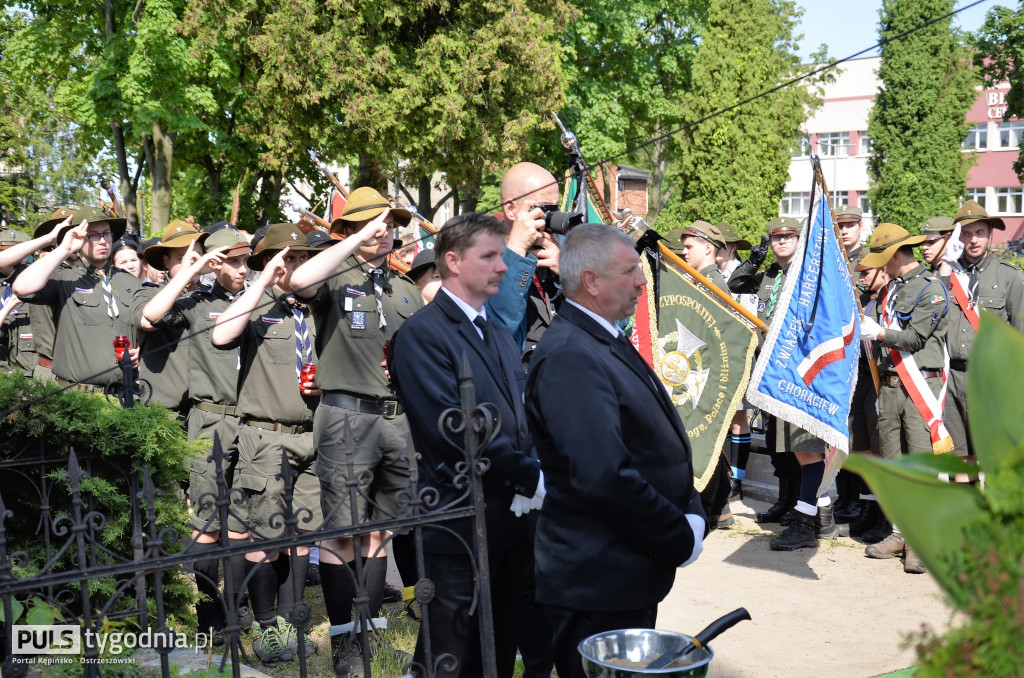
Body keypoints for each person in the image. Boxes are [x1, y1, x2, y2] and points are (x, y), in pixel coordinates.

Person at [525, 223, 706, 678]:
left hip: (622, 575)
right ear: (591, 281)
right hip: (595, 584)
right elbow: (603, 474)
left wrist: (693, 507)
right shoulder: (572, 353)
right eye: (630, 272)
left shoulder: (601, 337)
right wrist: (679, 535)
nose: (643, 282)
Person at [390, 211, 543, 678]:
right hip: (458, 522)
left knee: (496, 651)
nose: (502, 267)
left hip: (511, 522)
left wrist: (530, 469)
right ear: (453, 261)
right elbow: (451, 428)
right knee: (448, 654)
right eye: (491, 256)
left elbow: (518, 415)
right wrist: (525, 474)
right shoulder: (422, 335)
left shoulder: (495, 332)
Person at [289, 187, 421, 676]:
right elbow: (300, 278)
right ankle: (344, 643)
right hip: (346, 416)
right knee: (344, 532)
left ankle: (371, 637)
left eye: (388, 223)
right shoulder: (334, 273)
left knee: (380, 534)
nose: (383, 230)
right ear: (347, 230)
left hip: (395, 420)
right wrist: (353, 238)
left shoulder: (404, 289)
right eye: (371, 223)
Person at [210, 223, 334, 665]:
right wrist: (264, 279)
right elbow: (221, 335)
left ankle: (288, 620)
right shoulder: (255, 303)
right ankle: (264, 627)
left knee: (302, 533)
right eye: (287, 258)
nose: (295, 266)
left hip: (312, 433)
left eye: (301, 258)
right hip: (267, 437)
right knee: (264, 536)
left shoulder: (320, 307)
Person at [142, 225, 252, 638]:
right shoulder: (195, 301)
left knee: (244, 521)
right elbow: (152, 316)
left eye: (246, 261)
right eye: (234, 262)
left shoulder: (260, 301)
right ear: (217, 263)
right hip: (209, 419)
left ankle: (240, 609)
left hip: (254, 420)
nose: (243, 270)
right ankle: (210, 619)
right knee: (206, 522)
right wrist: (192, 271)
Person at [727, 217, 838, 550]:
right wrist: (755, 258)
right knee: (785, 445)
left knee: (804, 445)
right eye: (776, 238)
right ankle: (807, 510)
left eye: (788, 237)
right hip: (771, 369)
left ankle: (809, 518)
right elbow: (736, 283)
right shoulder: (770, 276)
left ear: (799, 240)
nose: (781, 242)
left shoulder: (808, 277)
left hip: (797, 370)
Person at [857, 223, 950, 574]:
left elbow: (914, 338)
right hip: (891, 385)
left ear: (896, 256)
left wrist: (879, 331)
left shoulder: (932, 289)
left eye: (883, 259)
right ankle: (899, 532)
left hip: (919, 387)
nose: (880, 267)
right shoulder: (891, 291)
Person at [13, 207, 140, 390]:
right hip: (80, 396)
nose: (102, 240)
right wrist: (65, 248)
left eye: (106, 233)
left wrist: (140, 351)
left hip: (125, 392)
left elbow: (145, 328)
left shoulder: (129, 281)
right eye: (93, 235)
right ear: (80, 240)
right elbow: (21, 288)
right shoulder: (63, 279)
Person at [943, 200, 1024, 459]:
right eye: (966, 233)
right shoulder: (947, 275)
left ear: (990, 234)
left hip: (992, 380)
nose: (973, 240)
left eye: (979, 232)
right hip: (953, 378)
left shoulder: (1009, 276)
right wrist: (945, 266)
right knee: (961, 457)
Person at [679, 220, 734, 528]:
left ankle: (710, 507)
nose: (684, 252)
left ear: (708, 248)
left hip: (706, 375)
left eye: (689, 247)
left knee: (704, 441)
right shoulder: (698, 279)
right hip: (697, 372)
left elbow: (714, 335)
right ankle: (720, 504)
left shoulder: (712, 284)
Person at [132, 221, 210, 416]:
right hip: (165, 412)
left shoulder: (211, 297)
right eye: (182, 258)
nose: (191, 263)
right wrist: (185, 274)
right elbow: (147, 321)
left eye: (196, 256)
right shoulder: (149, 295)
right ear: (166, 262)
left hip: (205, 413)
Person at [488, 162, 563, 351]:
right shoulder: (484, 256)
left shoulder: (564, 246)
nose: (550, 217)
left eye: (555, 208)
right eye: (543, 208)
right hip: (520, 373)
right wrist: (517, 251)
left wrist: (568, 275)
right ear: (511, 209)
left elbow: (616, 321)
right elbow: (498, 329)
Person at [715, 222, 755, 499]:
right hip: (715, 353)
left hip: (738, 352)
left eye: (718, 245)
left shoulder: (744, 277)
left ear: (729, 248)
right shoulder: (709, 273)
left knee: (739, 417)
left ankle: (736, 481)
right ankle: (718, 475)